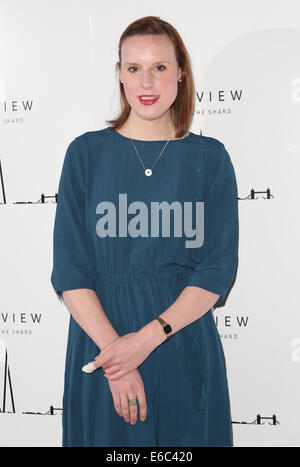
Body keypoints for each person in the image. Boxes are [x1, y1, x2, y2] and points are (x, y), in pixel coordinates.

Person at [50, 15, 239, 447]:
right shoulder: (85, 155)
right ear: (119, 74)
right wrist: (119, 358)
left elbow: (216, 270)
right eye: (133, 68)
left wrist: (146, 341)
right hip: (102, 347)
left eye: (159, 67)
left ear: (180, 73)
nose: (146, 81)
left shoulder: (210, 159)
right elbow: (70, 271)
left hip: (181, 342)